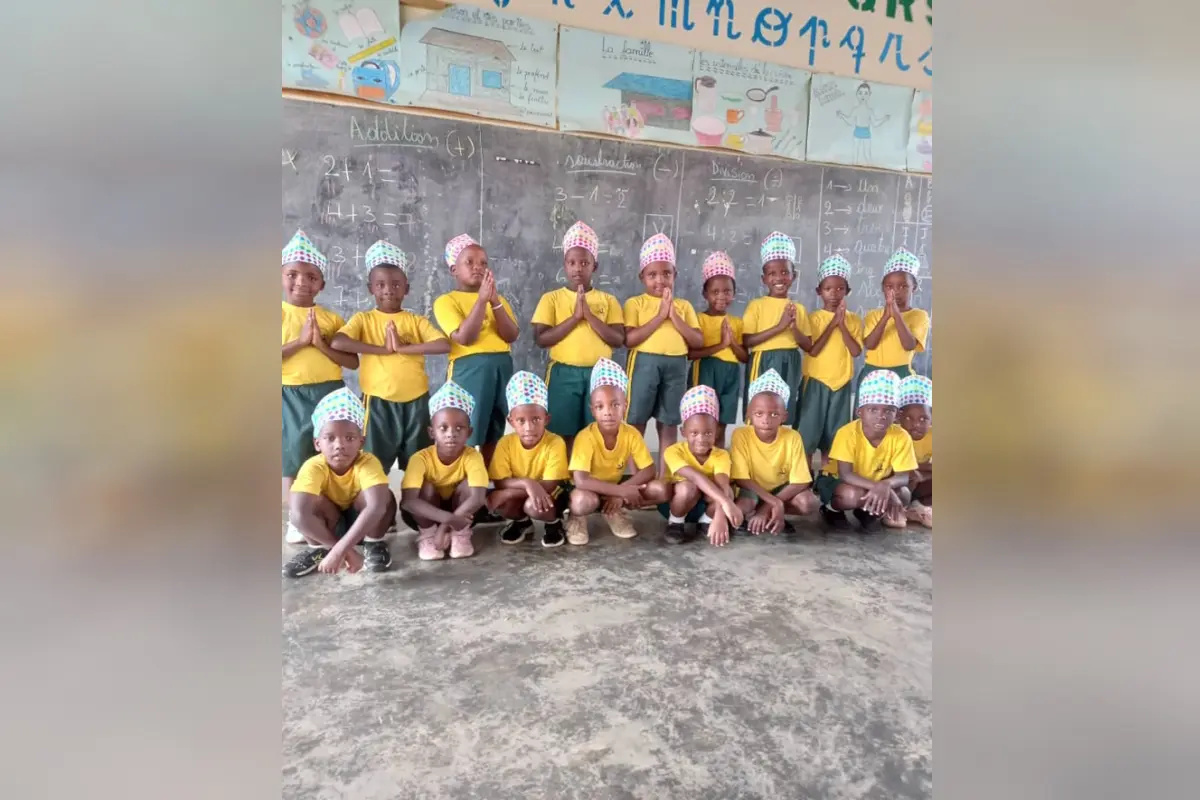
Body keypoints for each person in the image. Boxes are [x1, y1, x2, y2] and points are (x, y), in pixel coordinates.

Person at [330, 240, 449, 478]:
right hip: (377, 403)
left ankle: (414, 499)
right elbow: (338, 342)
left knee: (418, 462)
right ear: (370, 288)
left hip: (416, 403)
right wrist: (382, 349)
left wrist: (404, 348)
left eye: (396, 284)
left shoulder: (416, 321)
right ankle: (377, 499)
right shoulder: (364, 320)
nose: (389, 290)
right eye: (381, 284)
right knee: (373, 462)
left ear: (406, 288)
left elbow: (443, 344)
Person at [281, 230, 358, 510]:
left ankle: (329, 505)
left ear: (321, 285)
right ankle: (296, 512)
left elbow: (352, 362)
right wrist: (301, 342)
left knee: (331, 450)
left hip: (330, 393)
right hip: (290, 394)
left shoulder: (332, 319)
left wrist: (321, 345)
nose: (302, 282)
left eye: (311, 277)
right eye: (292, 274)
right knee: (293, 451)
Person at [531, 221, 625, 451]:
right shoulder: (551, 299)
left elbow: (618, 339)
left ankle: (588, 470)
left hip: (600, 375)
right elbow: (541, 339)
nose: (578, 269)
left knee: (596, 431)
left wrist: (589, 316)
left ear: (595, 266)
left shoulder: (608, 301)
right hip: (563, 373)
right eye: (572, 263)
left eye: (584, 263)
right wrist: (575, 318)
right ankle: (564, 471)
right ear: (564, 265)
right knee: (562, 430)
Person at [284, 388, 396, 578]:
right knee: (305, 506)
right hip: (329, 527)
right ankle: (320, 549)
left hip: (364, 525)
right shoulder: (313, 467)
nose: (339, 445)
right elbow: (298, 514)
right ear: (317, 443)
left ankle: (373, 542)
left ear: (361, 442)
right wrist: (345, 551)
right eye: (330, 438)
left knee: (384, 497)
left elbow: (376, 507)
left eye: (349, 438)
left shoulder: (368, 462)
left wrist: (339, 551)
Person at [432, 234, 519, 466]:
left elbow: (511, 335)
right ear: (454, 269)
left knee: (495, 428)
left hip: (501, 367)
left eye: (483, 263)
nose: (477, 267)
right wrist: (481, 302)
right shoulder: (446, 301)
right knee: (466, 426)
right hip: (469, 370)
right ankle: (462, 478)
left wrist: (495, 302)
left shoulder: (498, 300)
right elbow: (465, 338)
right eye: (469, 262)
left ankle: (490, 476)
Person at [622, 233, 703, 474]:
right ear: (642, 277)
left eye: (666, 273)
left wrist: (673, 316)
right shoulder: (635, 304)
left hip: (676, 367)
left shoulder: (684, 307)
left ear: (674, 275)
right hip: (643, 365)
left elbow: (697, 341)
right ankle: (637, 477)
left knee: (668, 423)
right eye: (652, 275)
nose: (660, 280)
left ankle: (665, 479)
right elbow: (629, 339)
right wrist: (660, 316)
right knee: (636, 420)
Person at [566, 358, 669, 544]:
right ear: (592, 410)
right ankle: (577, 518)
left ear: (625, 406)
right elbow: (581, 480)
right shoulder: (585, 437)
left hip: (614, 487)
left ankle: (613, 510)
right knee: (581, 501)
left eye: (615, 404)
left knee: (660, 489)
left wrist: (620, 493)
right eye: (600, 406)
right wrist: (621, 491)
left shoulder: (631, 434)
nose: (608, 412)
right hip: (588, 491)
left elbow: (649, 469)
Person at [816, 370, 918, 533]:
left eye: (888, 411)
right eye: (873, 409)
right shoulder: (847, 433)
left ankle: (867, 511)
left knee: (904, 495)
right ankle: (831, 509)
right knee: (852, 495)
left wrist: (886, 485)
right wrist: (884, 489)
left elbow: (903, 476)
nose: (881, 416)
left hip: (874, 482)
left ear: (897, 415)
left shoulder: (901, 436)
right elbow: (846, 474)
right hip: (840, 481)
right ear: (860, 412)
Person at [399, 381, 490, 560]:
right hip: (425, 515)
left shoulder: (473, 456)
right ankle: (428, 534)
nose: (451, 434)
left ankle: (460, 535)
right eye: (443, 428)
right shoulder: (420, 458)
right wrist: (448, 519)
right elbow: (409, 502)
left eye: (459, 428)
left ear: (469, 432)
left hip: (463, 517)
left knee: (469, 486)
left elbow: (478, 498)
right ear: (431, 432)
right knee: (426, 488)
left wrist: (446, 525)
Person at [486, 371, 571, 548]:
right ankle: (522, 522)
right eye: (521, 421)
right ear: (511, 421)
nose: (529, 427)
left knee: (532, 505)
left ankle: (553, 523)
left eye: (536, 419)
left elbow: (549, 485)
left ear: (546, 419)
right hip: (526, 491)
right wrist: (527, 483)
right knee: (502, 502)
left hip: (550, 495)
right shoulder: (505, 443)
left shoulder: (555, 442)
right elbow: (500, 481)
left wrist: (510, 492)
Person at [731, 369, 818, 534]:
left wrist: (767, 506)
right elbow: (741, 479)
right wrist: (774, 502)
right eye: (759, 413)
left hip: (780, 490)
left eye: (774, 414)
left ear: (784, 416)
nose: (766, 420)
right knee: (741, 509)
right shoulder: (740, 435)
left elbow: (801, 481)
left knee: (808, 503)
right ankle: (768, 512)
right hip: (752, 490)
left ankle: (769, 514)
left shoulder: (792, 437)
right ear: (748, 413)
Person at [742, 232, 812, 429]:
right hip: (763, 359)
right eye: (772, 274)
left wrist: (793, 328)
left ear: (793, 276)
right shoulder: (756, 306)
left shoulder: (798, 309)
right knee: (759, 407)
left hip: (790, 360)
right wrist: (780, 327)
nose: (779, 278)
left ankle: (778, 446)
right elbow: (747, 341)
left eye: (784, 272)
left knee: (782, 410)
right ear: (764, 279)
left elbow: (808, 345)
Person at [798, 254, 863, 464]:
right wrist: (833, 323)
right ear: (819, 291)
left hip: (841, 384)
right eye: (828, 289)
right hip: (816, 382)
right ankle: (805, 476)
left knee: (835, 437)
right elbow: (813, 350)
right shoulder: (813, 319)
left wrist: (842, 325)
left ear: (847, 291)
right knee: (807, 434)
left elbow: (855, 351)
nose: (834, 294)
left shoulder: (853, 320)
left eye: (840, 289)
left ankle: (829, 476)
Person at [659, 386, 744, 546]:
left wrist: (720, 515)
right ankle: (675, 523)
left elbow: (723, 485)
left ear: (716, 432)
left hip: (706, 506)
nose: (701, 439)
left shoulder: (721, 455)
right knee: (688, 487)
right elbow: (695, 477)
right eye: (694, 433)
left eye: (708, 433)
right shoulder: (673, 451)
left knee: (728, 492)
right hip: (678, 504)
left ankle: (706, 521)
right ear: (683, 432)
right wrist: (726, 504)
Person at [688, 251, 748, 447]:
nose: (721, 296)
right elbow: (690, 354)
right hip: (706, 370)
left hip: (731, 374)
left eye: (727, 291)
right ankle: (699, 460)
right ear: (705, 294)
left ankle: (718, 461)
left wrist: (732, 343)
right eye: (715, 292)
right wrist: (720, 345)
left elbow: (745, 357)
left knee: (722, 423)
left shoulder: (737, 323)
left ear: (734, 293)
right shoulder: (699, 319)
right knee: (703, 420)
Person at [859, 248, 930, 396]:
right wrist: (886, 316)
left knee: (899, 410)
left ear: (914, 287)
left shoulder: (919, 316)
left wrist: (897, 315)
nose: (896, 291)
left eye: (903, 286)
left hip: (902, 373)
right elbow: (869, 344)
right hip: (872, 372)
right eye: (889, 287)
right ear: (883, 289)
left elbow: (909, 345)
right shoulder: (873, 315)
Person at [896, 374, 933, 528]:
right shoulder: (894, 435)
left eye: (923, 419)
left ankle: (919, 506)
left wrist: (919, 472)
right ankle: (900, 509)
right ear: (898, 417)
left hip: (920, 480)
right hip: (899, 483)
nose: (916, 424)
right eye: (908, 418)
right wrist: (913, 470)